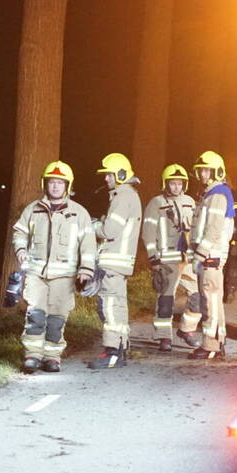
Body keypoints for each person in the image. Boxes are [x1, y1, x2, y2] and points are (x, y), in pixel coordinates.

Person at [11, 161, 97, 373]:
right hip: (36, 274)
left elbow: (88, 244)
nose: (56, 186)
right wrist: (20, 250)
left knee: (57, 319)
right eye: (52, 182)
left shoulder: (79, 213)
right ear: (45, 184)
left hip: (65, 277)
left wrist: (86, 270)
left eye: (60, 182)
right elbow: (19, 232)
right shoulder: (33, 210)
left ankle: (52, 357)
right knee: (35, 316)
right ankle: (32, 356)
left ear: (67, 185)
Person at [87, 152, 142, 369]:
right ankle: (121, 347)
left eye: (109, 175)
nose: (106, 179)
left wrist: (92, 226)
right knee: (118, 305)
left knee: (109, 305)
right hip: (120, 263)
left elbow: (110, 230)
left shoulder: (122, 196)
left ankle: (112, 352)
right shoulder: (128, 195)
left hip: (112, 262)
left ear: (120, 174)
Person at [141, 164, 200, 352]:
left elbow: (197, 228)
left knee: (199, 297)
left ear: (185, 184)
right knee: (165, 300)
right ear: (165, 184)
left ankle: (187, 330)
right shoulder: (156, 203)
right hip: (167, 259)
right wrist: (153, 258)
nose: (176, 187)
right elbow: (148, 232)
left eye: (179, 183)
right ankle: (163, 336)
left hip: (188, 259)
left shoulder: (190, 202)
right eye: (172, 183)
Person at [185, 150, 235, 360]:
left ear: (217, 171)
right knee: (213, 300)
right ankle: (217, 342)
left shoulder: (217, 195)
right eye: (201, 171)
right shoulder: (212, 194)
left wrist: (199, 254)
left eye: (206, 170)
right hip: (210, 256)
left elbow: (213, 229)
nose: (203, 174)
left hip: (210, 257)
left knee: (209, 302)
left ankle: (211, 346)